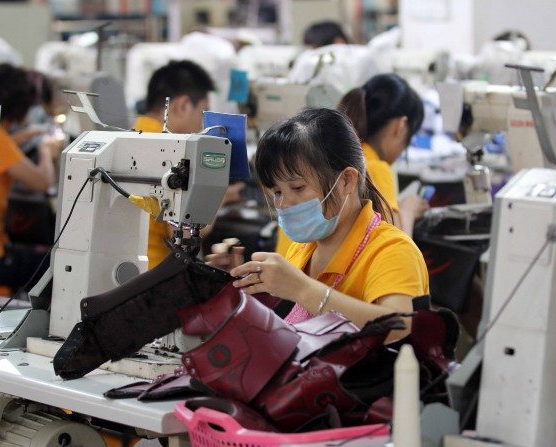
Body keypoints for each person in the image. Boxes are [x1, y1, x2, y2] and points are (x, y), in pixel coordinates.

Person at [208, 108, 429, 342]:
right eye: (276, 192)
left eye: (298, 188)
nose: (284, 203)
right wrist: (241, 285)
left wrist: (301, 289)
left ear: (346, 181)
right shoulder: (304, 249)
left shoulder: (391, 250)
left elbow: (399, 326)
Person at [133, 60, 243, 269]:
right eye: (203, 112)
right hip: (154, 278)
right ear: (182, 106)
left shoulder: (131, 136)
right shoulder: (174, 151)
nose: (203, 125)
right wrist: (216, 193)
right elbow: (187, 232)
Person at [0, 63, 59, 294]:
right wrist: (47, 151)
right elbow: (43, 182)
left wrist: (29, 133)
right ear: (23, 106)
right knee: (56, 266)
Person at [338, 73, 428, 237]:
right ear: (400, 127)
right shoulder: (375, 168)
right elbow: (398, 250)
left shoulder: (334, 153)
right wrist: (408, 210)